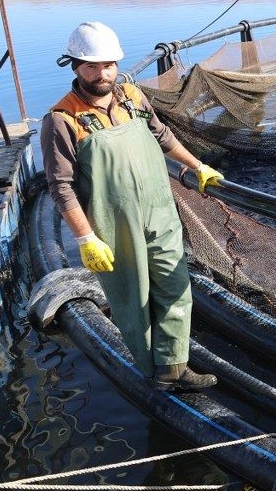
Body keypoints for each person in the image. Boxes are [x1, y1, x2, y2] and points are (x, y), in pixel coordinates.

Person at [41, 22, 223, 391]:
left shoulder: (132, 98)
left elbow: (164, 138)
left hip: (160, 213)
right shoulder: (61, 120)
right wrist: (86, 238)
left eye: (108, 65)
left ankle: (174, 366)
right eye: (92, 66)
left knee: (175, 286)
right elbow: (61, 188)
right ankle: (151, 372)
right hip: (114, 226)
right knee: (132, 298)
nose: (102, 74)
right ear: (75, 66)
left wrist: (196, 166)